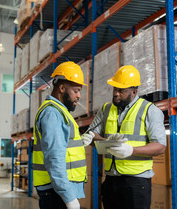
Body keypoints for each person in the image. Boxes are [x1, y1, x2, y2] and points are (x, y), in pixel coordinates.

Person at [81, 65, 166, 209]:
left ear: (134, 91)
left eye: (121, 90)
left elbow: (160, 146)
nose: (116, 94)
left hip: (137, 183)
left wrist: (131, 150)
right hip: (111, 181)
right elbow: (91, 134)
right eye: (115, 89)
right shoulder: (106, 109)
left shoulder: (149, 110)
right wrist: (105, 142)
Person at [33, 61, 87, 209]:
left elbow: (62, 147)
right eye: (76, 90)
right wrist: (69, 198)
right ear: (62, 88)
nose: (79, 96)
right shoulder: (53, 113)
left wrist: (80, 142)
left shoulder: (59, 112)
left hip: (57, 191)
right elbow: (54, 158)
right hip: (57, 193)